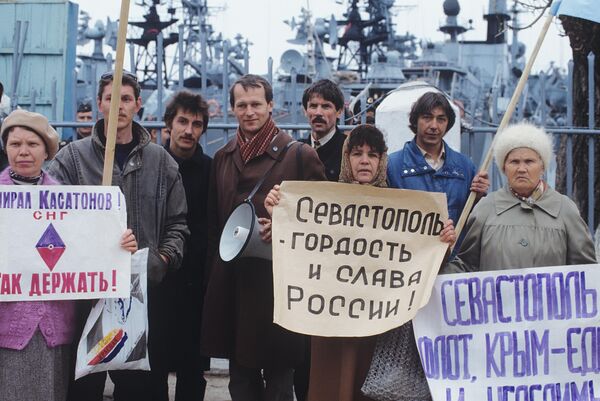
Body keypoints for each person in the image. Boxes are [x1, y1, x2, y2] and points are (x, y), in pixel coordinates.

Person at [264, 124, 456, 401]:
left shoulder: (402, 207)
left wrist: (443, 243)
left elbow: (420, 258)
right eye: (357, 153)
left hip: (376, 325)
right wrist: (278, 212)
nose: (365, 160)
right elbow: (300, 246)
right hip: (329, 321)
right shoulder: (323, 203)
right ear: (347, 159)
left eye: (372, 154)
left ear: (381, 161)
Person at [48, 70, 188, 401]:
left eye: (126, 99)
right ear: (100, 104)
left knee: (141, 390)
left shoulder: (161, 161)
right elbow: (51, 221)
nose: (118, 107)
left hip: (141, 297)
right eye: (111, 98)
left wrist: (160, 259)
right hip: (85, 298)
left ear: (138, 104)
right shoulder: (71, 158)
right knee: (82, 388)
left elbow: (178, 224)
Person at [200, 74, 326, 401]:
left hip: (280, 290)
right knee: (240, 382)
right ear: (232, 109)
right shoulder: (224, 158)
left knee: (280, 382)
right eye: (242, 105)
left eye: (257, 104)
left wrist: (286, 228)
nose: (249, 111)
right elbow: (215, 225)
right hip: (234, 283)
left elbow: (323, 222)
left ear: (271, 106)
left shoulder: (298, 156)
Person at [0, 109, 137, 401]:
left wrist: (119, 245)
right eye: (15, 144)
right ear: (5, 148)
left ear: (47, 151)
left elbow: (93, 250)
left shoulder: (71, 202)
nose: (23, 151)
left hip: (55, 328)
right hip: (6, 328)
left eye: (32, 144)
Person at [444, 122, 596, 274]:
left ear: (542, 167)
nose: (521, 169)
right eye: (514, 162)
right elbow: (466, 267)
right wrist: (439, 255)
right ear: (504, 167)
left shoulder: (565, 209)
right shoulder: (485, 209)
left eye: (529, 162)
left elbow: (586, 272)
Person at [152, 90, 212, 401]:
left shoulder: (211, 170)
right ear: (168, 125)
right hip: (158, 279)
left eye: (197, 124)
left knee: (192, 370)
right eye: (183, 122)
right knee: (154, 365)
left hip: (194, 284)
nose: (189, 130)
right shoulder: (152, 165)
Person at [386, 92, 489, 249]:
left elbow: (475, 221)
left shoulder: (465, 167)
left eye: (441, 119)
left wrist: (479, 197)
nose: (434, 126)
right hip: (409, 261)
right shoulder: (392, 166)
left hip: (452, 263)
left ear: (448, 124)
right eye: (427, 117)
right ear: (415, 121)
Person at [300, 79, 347, 181]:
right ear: (305, 111)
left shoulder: (349, 150)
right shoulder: (294, 151)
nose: (318, 113)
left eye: (326, 106)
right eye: (313, 106)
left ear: (339, 111)